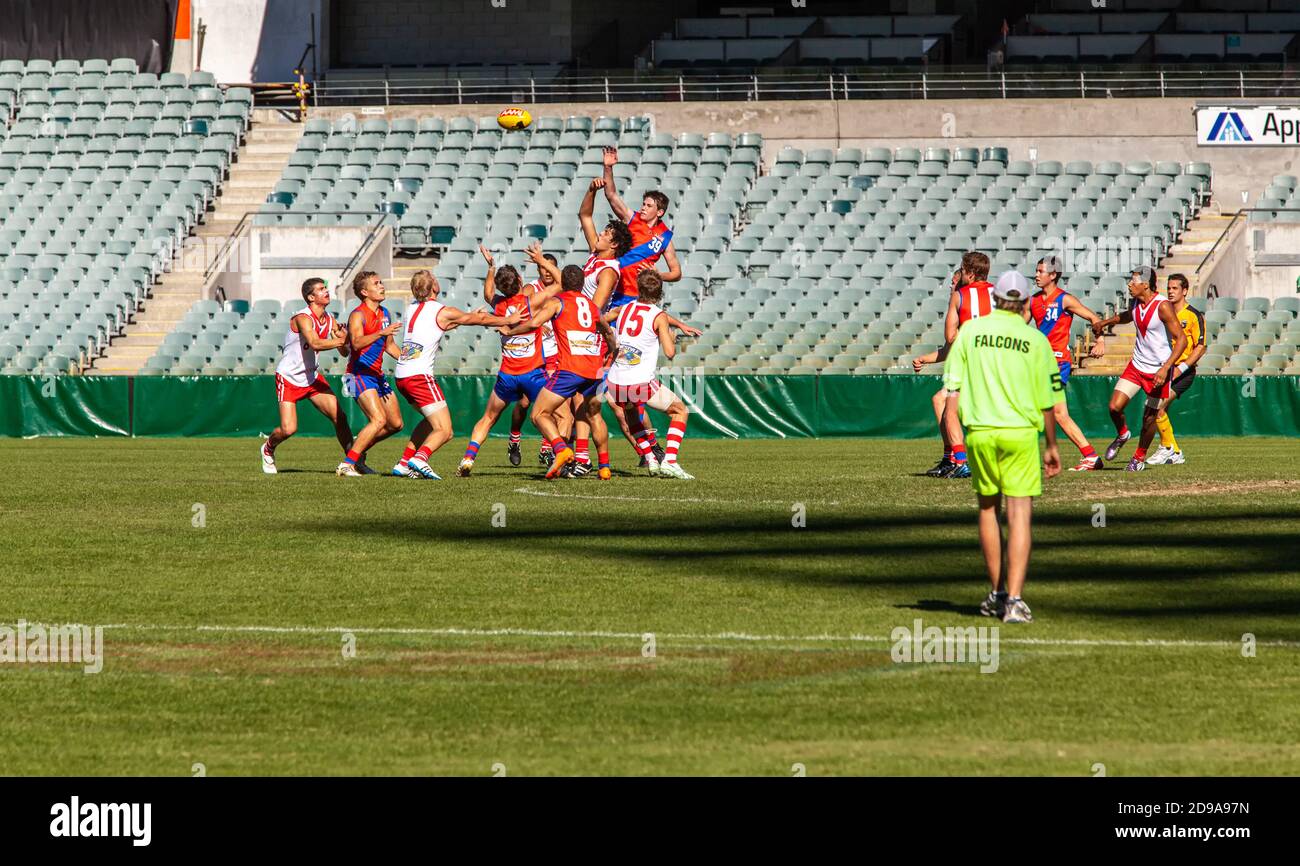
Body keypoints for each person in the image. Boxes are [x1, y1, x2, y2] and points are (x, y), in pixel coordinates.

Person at [942, 271, 1064, 624]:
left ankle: (996, 592)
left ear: (994, 298)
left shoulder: (970, 333)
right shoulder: (1035, 340)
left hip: (980, 431)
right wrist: (1052, 445)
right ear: (1025, 302)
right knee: (1020, 513)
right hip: (1020, 433)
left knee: (987, 510)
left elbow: (952, 385)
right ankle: (1013, 599)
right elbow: (1049, 400)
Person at [391, 270, 520, 479]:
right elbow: (473, 320)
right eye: (435, 278)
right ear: (434, 286)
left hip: (402, 375)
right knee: (445, 431)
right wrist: (508, 319)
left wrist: (471, 318)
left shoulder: (411, 309)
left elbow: (441, 325)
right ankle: (420, 458)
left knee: (429, 422)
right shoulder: (442, 310)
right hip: (419, 377)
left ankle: (405, 462)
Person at [501, 265, 618, 481]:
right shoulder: (591, 305)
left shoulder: (557, 302)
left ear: (563, 284)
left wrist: (511, 330)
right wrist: (612, 351)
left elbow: (534, 323)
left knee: (539, 414)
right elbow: (608, 331)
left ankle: (561, 448)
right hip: (594, 369)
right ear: (583, 284)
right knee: (594, 415)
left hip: (570, 369)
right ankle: (604, 467)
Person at [459, 244, 563, 477]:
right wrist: (541, 260)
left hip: (507, 375)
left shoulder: (499, 305)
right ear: (518, 279)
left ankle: (468, 458)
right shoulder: (530, 302)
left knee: (488, 418)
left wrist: (490, 267)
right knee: (555, 415)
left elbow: (487, 294)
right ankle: (558, 452)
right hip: (533, 373)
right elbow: (560, 283)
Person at [1091, 266, 1188, 472]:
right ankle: (1123, 433)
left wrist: (1166, 369)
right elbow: (1128, 316)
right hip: (1136, 366)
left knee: (1150, 417)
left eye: (1133, 281)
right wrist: (1106, 322)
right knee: (1114, 407)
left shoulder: (1162, 306)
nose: (1129, 284)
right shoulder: (1136, 302)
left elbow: (1181, 340)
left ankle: (1139, 457)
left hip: (1158, 371)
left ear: (1145, 284)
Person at [912, 252, 995, 479]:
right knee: (940, 399)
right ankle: (952, 458)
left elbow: (951, 338)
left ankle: (959, 460)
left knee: (950, 409)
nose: (952, 283)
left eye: (957, 275)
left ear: (968, 273)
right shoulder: (1000, 293)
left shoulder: (961, 296)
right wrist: (925, 359)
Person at [605, 270, 693, 479]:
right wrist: (671, 335)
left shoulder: (624, 308)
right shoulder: (659, 316)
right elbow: (670, 353)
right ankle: (670, 461)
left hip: (615, 382)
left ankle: (652, 460)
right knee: (680, 411)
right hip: (639, 381)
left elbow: (602, 319)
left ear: (638, 288)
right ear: (660, 293)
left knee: (632, 416)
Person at [261, 277, 354, 474]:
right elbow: (315, 343)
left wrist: (346, 340)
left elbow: (344, 352)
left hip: (311, 378)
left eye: (326, 288)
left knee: (340, 417)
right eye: (321, 289)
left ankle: (353, 461)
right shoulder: (303, 318)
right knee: (288, 429)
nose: (326, 291)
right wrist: (344, 340)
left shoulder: (329, 319)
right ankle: (268, 448)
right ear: (311, 297)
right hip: (289, 377)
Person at [1024, 256, 1107, 471]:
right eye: (1036, 270)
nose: (1036, 275)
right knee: (1050, 413)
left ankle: (1089, 456)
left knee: (1053, 412)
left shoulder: (1065, 300)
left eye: (1040, 271)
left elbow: (1093, 318)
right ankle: (1090, 456)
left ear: (1053, 275)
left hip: (1057, 363)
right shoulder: (1032, 301)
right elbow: (1018, 326)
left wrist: (1100, 340)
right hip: (1039, 363)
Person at [341, 271, 402, 476]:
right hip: (357, 374)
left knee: (395, 424)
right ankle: (347, 464)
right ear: (364, 292)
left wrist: (412, 361)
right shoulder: (357, 315)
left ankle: (356, 453)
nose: (382, 286)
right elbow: (356, 343)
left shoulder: (385, 313)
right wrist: (380, 333)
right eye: (376, 284)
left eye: (381, 282)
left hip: (377, 375)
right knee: (378, 420)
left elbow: (390, 346)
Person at [1145, 273, 1205, 466]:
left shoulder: (1193, 315)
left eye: (1175, 288)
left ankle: (1170, 449)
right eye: (1168, 288)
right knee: (1156, 409)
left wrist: (1183, 367)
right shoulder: (1164, 312)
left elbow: (1201, 346)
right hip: (1165, 368)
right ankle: (1171, 449)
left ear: (1185, 291)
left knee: (1157, 407)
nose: (1170, 292)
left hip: (1183, 371)